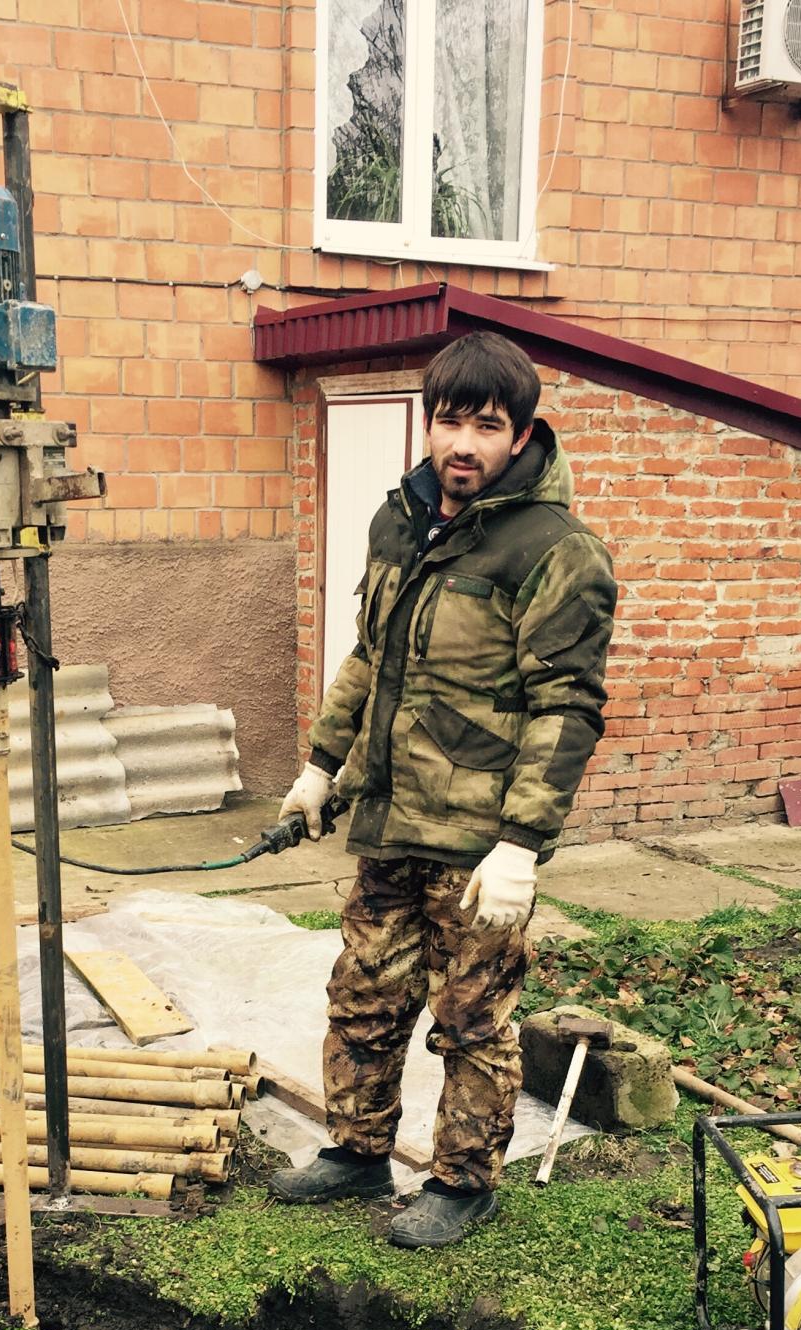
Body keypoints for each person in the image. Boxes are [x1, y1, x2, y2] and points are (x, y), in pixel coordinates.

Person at [269, 330, 615, 1249]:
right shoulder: (400, 521)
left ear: (521, 433)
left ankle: (464, 1182)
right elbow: (370, 658)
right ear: (432, 425)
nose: (464, 443)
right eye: (451, 421)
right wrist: (319, 767)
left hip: (477, 843)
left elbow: (566, 707)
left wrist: (520, 846)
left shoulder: (555, 550)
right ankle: (356, 1152)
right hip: (389, 816)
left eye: (487, 426)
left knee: (470, 1018)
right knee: (366, 994)